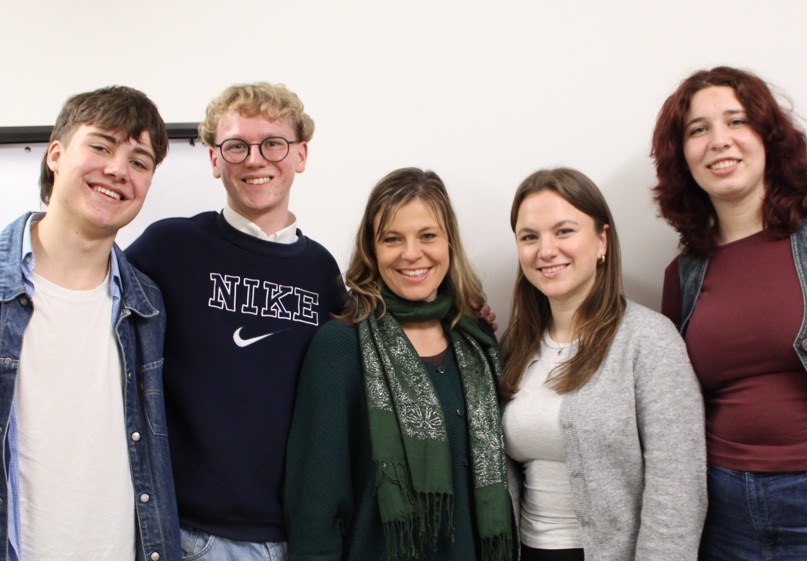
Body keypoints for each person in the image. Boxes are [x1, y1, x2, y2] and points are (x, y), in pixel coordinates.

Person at [125, 83, 347, 560]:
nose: (254, 159)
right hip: (190, 536)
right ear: (214, 160)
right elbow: (90, 302)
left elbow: (367, 361)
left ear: (300, 154)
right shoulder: (170, 246)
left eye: (273, 143)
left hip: (298, 538)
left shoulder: (322, 271)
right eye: (236, 146)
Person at [653, 66, 807, 560]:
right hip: (724, 511)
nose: (719, 141)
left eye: (736, 121)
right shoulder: (683, 274)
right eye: (698, 129)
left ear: (768, 137)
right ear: (682, 157)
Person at [284, 167, 514, 561]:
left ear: (449, 243)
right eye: (392, 239)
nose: (412, 253)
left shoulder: (476, 340)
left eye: (427, 235)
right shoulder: (340, 346)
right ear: (373, 250)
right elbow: (314, 509)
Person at [0, 86, 179, 560]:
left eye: (139, 162)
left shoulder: (147, 307)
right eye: (100, 146)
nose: (118, 170)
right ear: (56, 155)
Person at [501, 168, 707, 561]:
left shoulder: (648, 340)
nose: (546, 250)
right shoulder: (514, 346)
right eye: (530, 237)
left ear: (602, 240)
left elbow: (678, 489)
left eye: (564, 231)